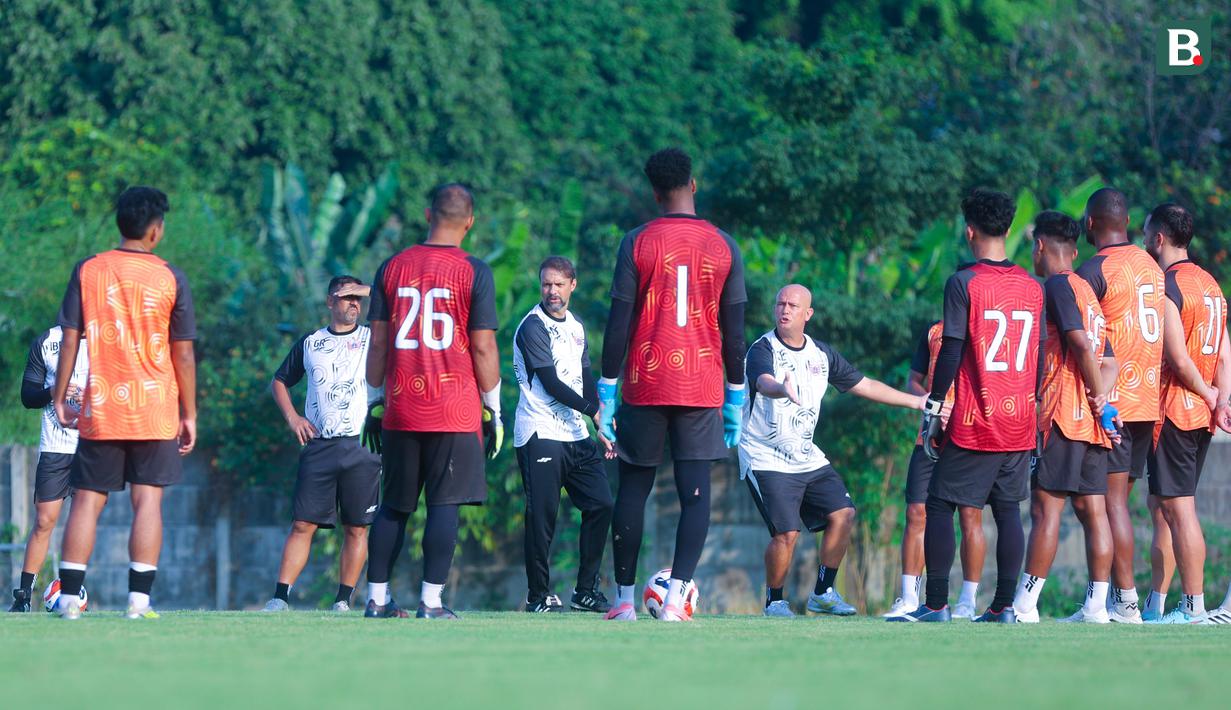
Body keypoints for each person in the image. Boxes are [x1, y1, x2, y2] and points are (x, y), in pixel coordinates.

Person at [599, 148, 746, 622]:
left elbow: (618, 322)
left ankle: (624, 602)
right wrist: (737, 394)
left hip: (645, 381)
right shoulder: (724, 245)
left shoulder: (637, 242)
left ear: (655, 193)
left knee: (633, 492)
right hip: (701, 384)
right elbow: (735, 330)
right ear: (693, 185)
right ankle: (678, 595)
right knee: (695, 492)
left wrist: (605, 387)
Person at [891, 188, 1044, 624]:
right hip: (1020, 419)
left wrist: (936, 406)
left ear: (969, 230)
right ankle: (1004, 607)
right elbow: (1040, 355)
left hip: (978, 417)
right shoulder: (1033, 287)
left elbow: (952, 350)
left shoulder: (964, 282)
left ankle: (936, 603)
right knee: (1008, 511)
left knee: (938, 503)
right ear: (1010, 229)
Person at [51, 186, 197, 620]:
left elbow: (70, 339)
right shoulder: (171, 276)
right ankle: (139, 602)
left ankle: (68, 601)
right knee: (148, 502)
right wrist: (188, 413)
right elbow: (183, 353)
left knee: (87, 501)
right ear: (156, 230)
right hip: (155, 410)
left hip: (102, 406)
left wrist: (60, 397)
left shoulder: (89, 270)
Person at [742, 285, 924, 618]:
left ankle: (824, 592)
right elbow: (763, 382)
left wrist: (916, 401)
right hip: (765, 455)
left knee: (844, 514)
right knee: (787, 533)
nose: (784, 309)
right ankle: (775, 602)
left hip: (806, 455)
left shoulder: (820, 354)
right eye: (780, 303)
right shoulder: (762, 349)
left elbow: (866, 385)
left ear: (807, 314)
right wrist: (781, 388)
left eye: (793, 305)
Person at [362, 183, 500, 620]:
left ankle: (378, 600)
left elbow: (378, 343)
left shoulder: (393, 267)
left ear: (428, 214)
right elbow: (482, 348)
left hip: (402, 406)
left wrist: (373, 400)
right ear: (470, 222)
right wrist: (494, 406)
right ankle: (431, 603)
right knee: (444, 505)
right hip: (455, 409)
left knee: (393, 506)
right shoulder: (475, 271)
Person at [1010, 211, 1120, 623]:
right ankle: (1096, 606)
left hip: (1062, 415)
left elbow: (1079, 344)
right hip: (1092, 422)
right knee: (1094, 510)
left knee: (1045, 509)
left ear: (1039, 247)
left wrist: (1094, 396)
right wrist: (1103, 400)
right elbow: (1110, 359)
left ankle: (1025, 605)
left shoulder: (1056, 285)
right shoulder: (1087, 292)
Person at [262, 276, 382, 613]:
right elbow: (280, 381)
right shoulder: (312, 343)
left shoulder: (374, 339)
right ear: (330, 302)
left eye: (358, 299)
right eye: (345, 298)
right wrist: (293, 418)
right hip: (320, 446)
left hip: (362, 445)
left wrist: (368, 290)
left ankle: (343, 600)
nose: (353, 305)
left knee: (357, 527)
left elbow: (394, 302)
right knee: (302, 524)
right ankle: (279, 598)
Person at [1074, 187, 1164, 623]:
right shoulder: (1153, 264)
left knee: (1110, 506)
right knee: (1117, 504)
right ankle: (1117, 597)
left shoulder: (1095, 269)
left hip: (1114, 405)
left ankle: (1125, 600)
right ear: (1126, 222)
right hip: (1149, 401)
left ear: (1090, 224)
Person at [1141, 203, 1230, 624]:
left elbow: (1176, 357)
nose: (1143, 242)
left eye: (1145, 235)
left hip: (1177, 410)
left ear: (1159, 238)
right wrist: (1221, 400)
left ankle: (1193, 606)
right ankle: (1156, 604)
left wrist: (1210, 396)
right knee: (1162, 507)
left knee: (1178, 509)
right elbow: (1226, 355)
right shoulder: (1211, 285)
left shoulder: (1168, 285)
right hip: (1202, 416)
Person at [512, 256, 614, 613]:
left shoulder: (576, 327)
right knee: (543, 517)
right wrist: (594, 413)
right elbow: (551, 382)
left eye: (558, 284)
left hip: (574, 433)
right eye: (546, 284)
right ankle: (538, 596)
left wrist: (600, 423)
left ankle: (585, 591)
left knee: (601, 504)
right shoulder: (532, 327)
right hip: (539, 431)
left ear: (573, 285)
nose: (551, 291)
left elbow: (585, 378)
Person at [884, 320, 986, 619]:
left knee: (970, 515)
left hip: (971, 436)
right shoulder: (933, 331)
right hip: (928, 436)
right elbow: (914, 381)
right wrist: (929, 403)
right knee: (916, 512)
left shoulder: (987, 329)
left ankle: (967, 601)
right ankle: (908, 598)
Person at [8, 326, 89, 612]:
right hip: (55, 448)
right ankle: (23, 597)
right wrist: (55, 390)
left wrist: (89, 397)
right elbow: (28, 396)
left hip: (92, 447)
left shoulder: (108, 338)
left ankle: (74, 593)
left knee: (85, 521)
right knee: (44, 521)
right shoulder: (48, 341)